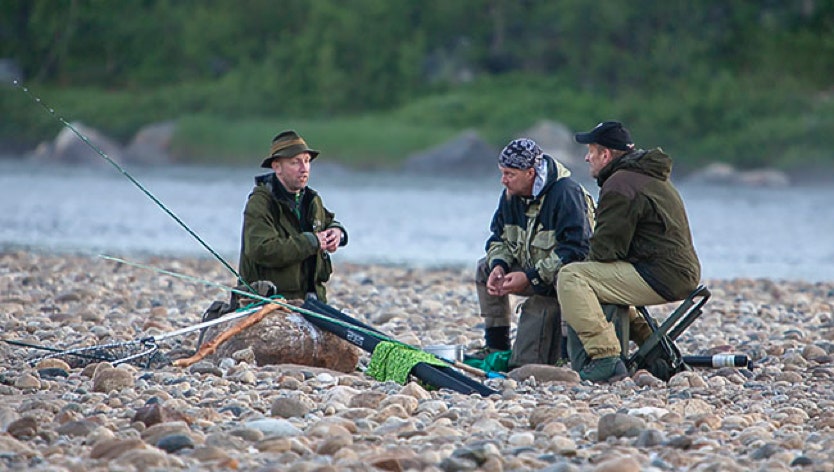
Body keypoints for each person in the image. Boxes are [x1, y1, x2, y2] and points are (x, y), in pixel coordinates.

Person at [557, 121, 701, 382]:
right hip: (675, 271)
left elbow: (605, 251)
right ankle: (653, 346)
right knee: (601, 281)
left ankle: (605, 358)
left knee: (572, 277)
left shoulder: (620, 185)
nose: (587, 157)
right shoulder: (645, 176)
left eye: (591, 150)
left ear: (606, 155)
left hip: (662, 275)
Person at [474, 138, 594, 368]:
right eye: (502, 173)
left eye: (509, 174)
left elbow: (577, 250)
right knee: (484, 267)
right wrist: (500, 266)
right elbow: (498, 238)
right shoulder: (510, 195)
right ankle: (496, 345)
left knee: (567, 276)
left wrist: (529, 277)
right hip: (536, 270)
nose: (503, 180)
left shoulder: (565, 194)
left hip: (570, 278)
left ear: (530, 173)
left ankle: (567, 356)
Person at [238, 130, 347, 302]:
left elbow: (328, 221)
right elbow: (261, 249)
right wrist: (312, 242)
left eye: (307, 161)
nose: (304, 169)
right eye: (295, 162)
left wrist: (337, 232)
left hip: (312, 300)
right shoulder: (261, 203)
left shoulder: (311, 199)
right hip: (269, 300)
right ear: (277, 167)